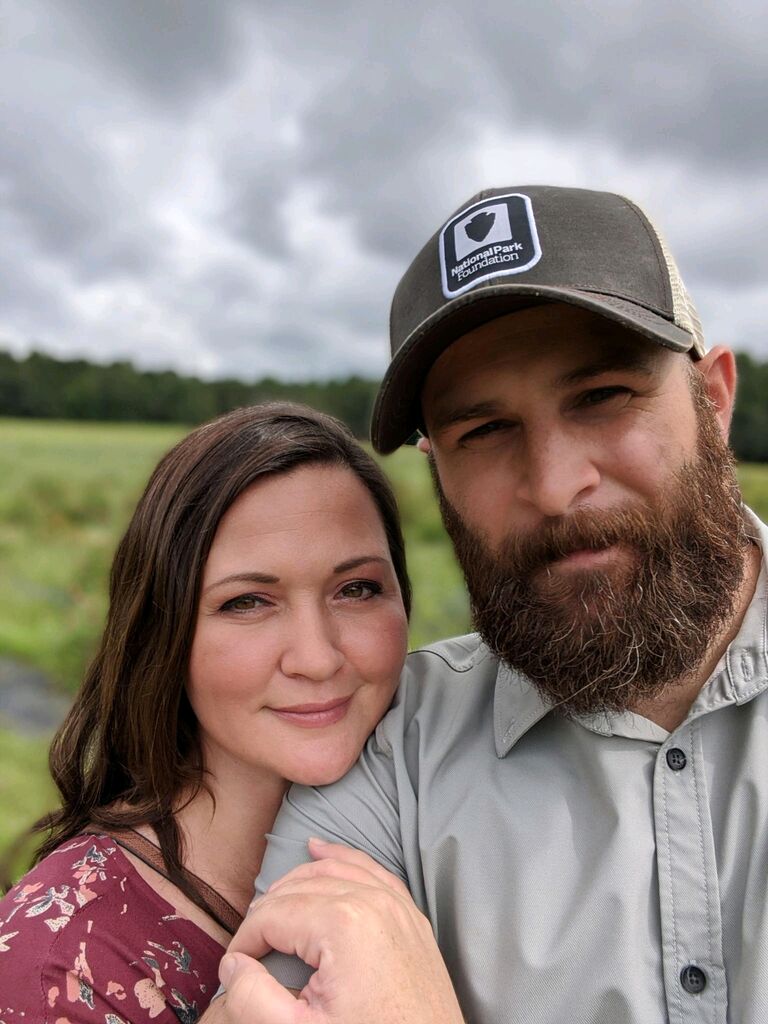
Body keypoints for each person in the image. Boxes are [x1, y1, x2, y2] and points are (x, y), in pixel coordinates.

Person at [213, 186, 768, 1024]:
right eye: (484, 432)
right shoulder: (393, 758)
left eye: (603, 396)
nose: (554, 486)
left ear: (714, 402)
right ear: (438, 471)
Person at [0, 402, 411, 1022]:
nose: (318, 658)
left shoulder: (443, 842)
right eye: (248, 601)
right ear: (162, 633)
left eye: (357, 589)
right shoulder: (59, 969)